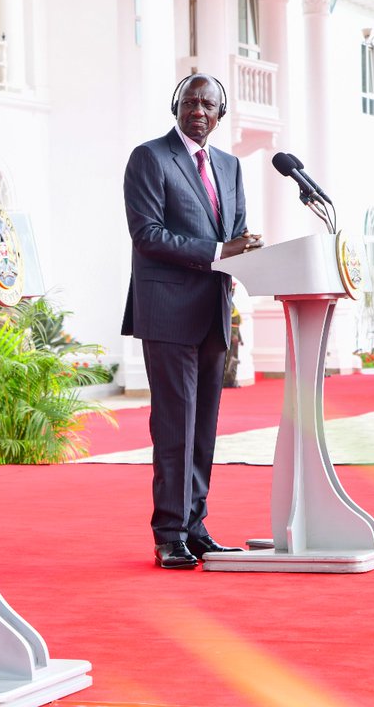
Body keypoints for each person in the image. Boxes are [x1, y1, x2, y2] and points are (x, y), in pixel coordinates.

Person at [121, 73, 264, 570]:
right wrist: (220, 251)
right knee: (174, 427)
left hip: (213, 310)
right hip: (167, 311)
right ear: (175, 106)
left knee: (204, 429)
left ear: (220, 115)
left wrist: (248, 252)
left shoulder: (229, 165)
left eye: (208, 104)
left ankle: (196, 526)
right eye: (190, 101)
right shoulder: (150, 157)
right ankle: (169, 534)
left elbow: (234, 231)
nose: (198, 110)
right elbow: (148, 234)